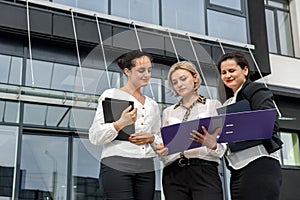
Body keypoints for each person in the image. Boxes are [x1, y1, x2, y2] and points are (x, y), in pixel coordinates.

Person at [89, 50, 161, 200]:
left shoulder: (152, 105)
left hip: (146, 166)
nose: (146, 75)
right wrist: (120, 123)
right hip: (117, 163)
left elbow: (159, 139)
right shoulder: (111, 95)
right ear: (127, 71)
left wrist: (151, 138)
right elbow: (95, 137)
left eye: (149, 70)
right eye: (141, 70)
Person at [217, 51, 283, 200]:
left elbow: (269, 123)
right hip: (237, 169)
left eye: (232, 70)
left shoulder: (255, 90)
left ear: (245, 70)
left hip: (259, 165)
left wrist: (232, 128)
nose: (228, 75)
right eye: (224, 72)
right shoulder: (227, 103)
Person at [156, 61, 226, 200]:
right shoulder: (168, 112)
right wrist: (162, 150)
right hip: (173, 174)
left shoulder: (212, 106)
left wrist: (211, 144)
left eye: (183, 79)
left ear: (195, 77)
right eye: (175, 82)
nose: (179, 85)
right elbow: (163, 150)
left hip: (204, 170)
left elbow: (222, 148)